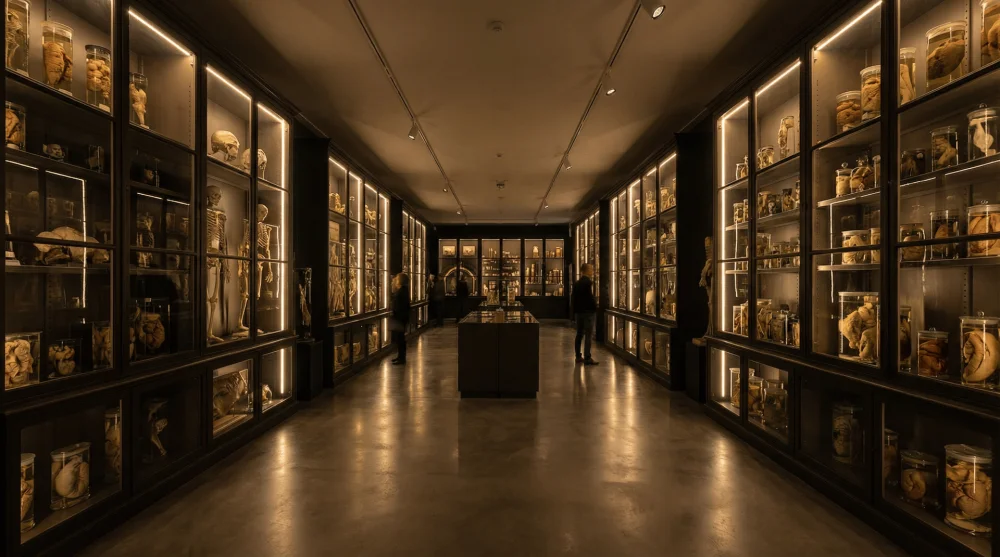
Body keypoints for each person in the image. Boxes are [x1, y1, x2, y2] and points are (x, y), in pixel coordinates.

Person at [572, 263, 598, 365]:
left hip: (579, 312)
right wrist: (595, 306)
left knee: (579, 334)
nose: (593, 271)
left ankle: (578, 356)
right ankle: (587, 357)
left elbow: (573, 298)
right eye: (591, 269)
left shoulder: (577, 283)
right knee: (588, 335)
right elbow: (590, 298)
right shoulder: (588, 283)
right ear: (586, 270)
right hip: (588, 313)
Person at [390, 273, 411, 365]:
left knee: (400, 339)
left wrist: (394, 312)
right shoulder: (404, 290)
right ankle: (400, 356)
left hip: (400, 318)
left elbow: (399, 305)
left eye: (397, 278)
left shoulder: (401, 291)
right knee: (400, 339)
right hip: (401, 317)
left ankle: (401, 358)